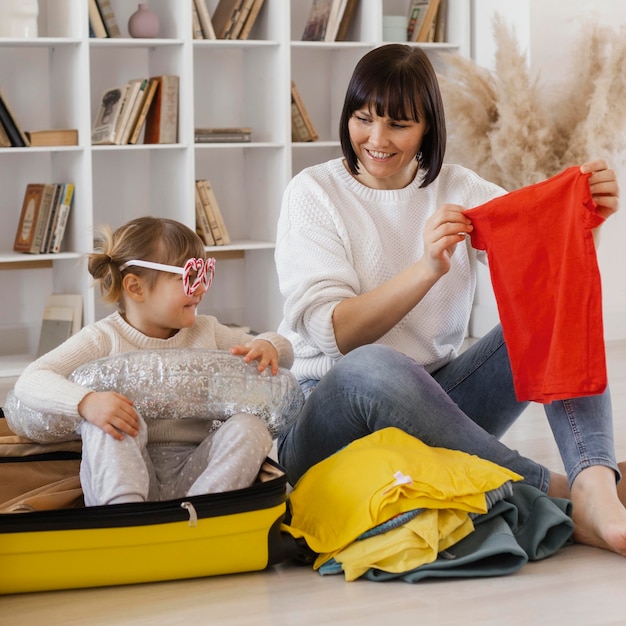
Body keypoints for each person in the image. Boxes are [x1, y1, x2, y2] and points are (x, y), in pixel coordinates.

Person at [274, 44, 626, 556]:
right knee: (374, 365)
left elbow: (549, 266)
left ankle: (595, 482)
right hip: (329, 415)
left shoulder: (458, 187)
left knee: (556, 308)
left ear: (427, 129)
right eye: (363, 118)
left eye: (398, 124)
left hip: (438, 405)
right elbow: (338, 334)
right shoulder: (313, 193)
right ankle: (554, 489)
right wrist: (426, 269)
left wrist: (587, 214)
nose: (375, 139)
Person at [13, 216, 294, 506]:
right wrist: (87, 403)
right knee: (110, 419)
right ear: (135, 288)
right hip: (125, 473)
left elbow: (284, 349)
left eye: (205, 274)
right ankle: (127, 521)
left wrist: (266, 344)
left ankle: (204, 521)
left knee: (250, 426)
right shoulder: (102, 339)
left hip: (197, 474)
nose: (201, 288)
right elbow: (32, 378)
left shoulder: (206, 331)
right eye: (190, 276)